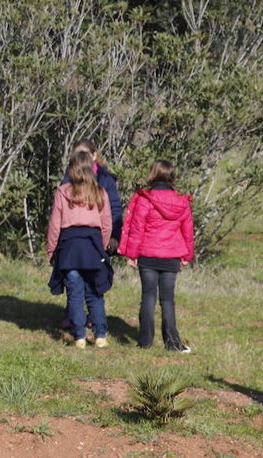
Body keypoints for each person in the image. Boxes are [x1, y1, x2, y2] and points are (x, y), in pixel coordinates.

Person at [117, 160, 195, 352]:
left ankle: (145, 341)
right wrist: (187, 255)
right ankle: (172, 342)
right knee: (168, 300)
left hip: (148, 255)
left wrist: (131, 254)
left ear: (152, 174)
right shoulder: (181, 202)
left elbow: (137, 229)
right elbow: (188, 231)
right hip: (171, 256)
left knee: (148, 297)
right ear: (172, 177)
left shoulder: (145, 199)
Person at [47, 150, 113, 348]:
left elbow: (54, 225)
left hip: (69, 248)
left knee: (74, 293)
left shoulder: (62, 192)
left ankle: (79, 337)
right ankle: (100, 335)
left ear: (72, 169)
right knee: (95, 293)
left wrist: (52, 251)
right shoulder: (100, 192)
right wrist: (101, 248)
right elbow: (107, 224)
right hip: (92, 247)